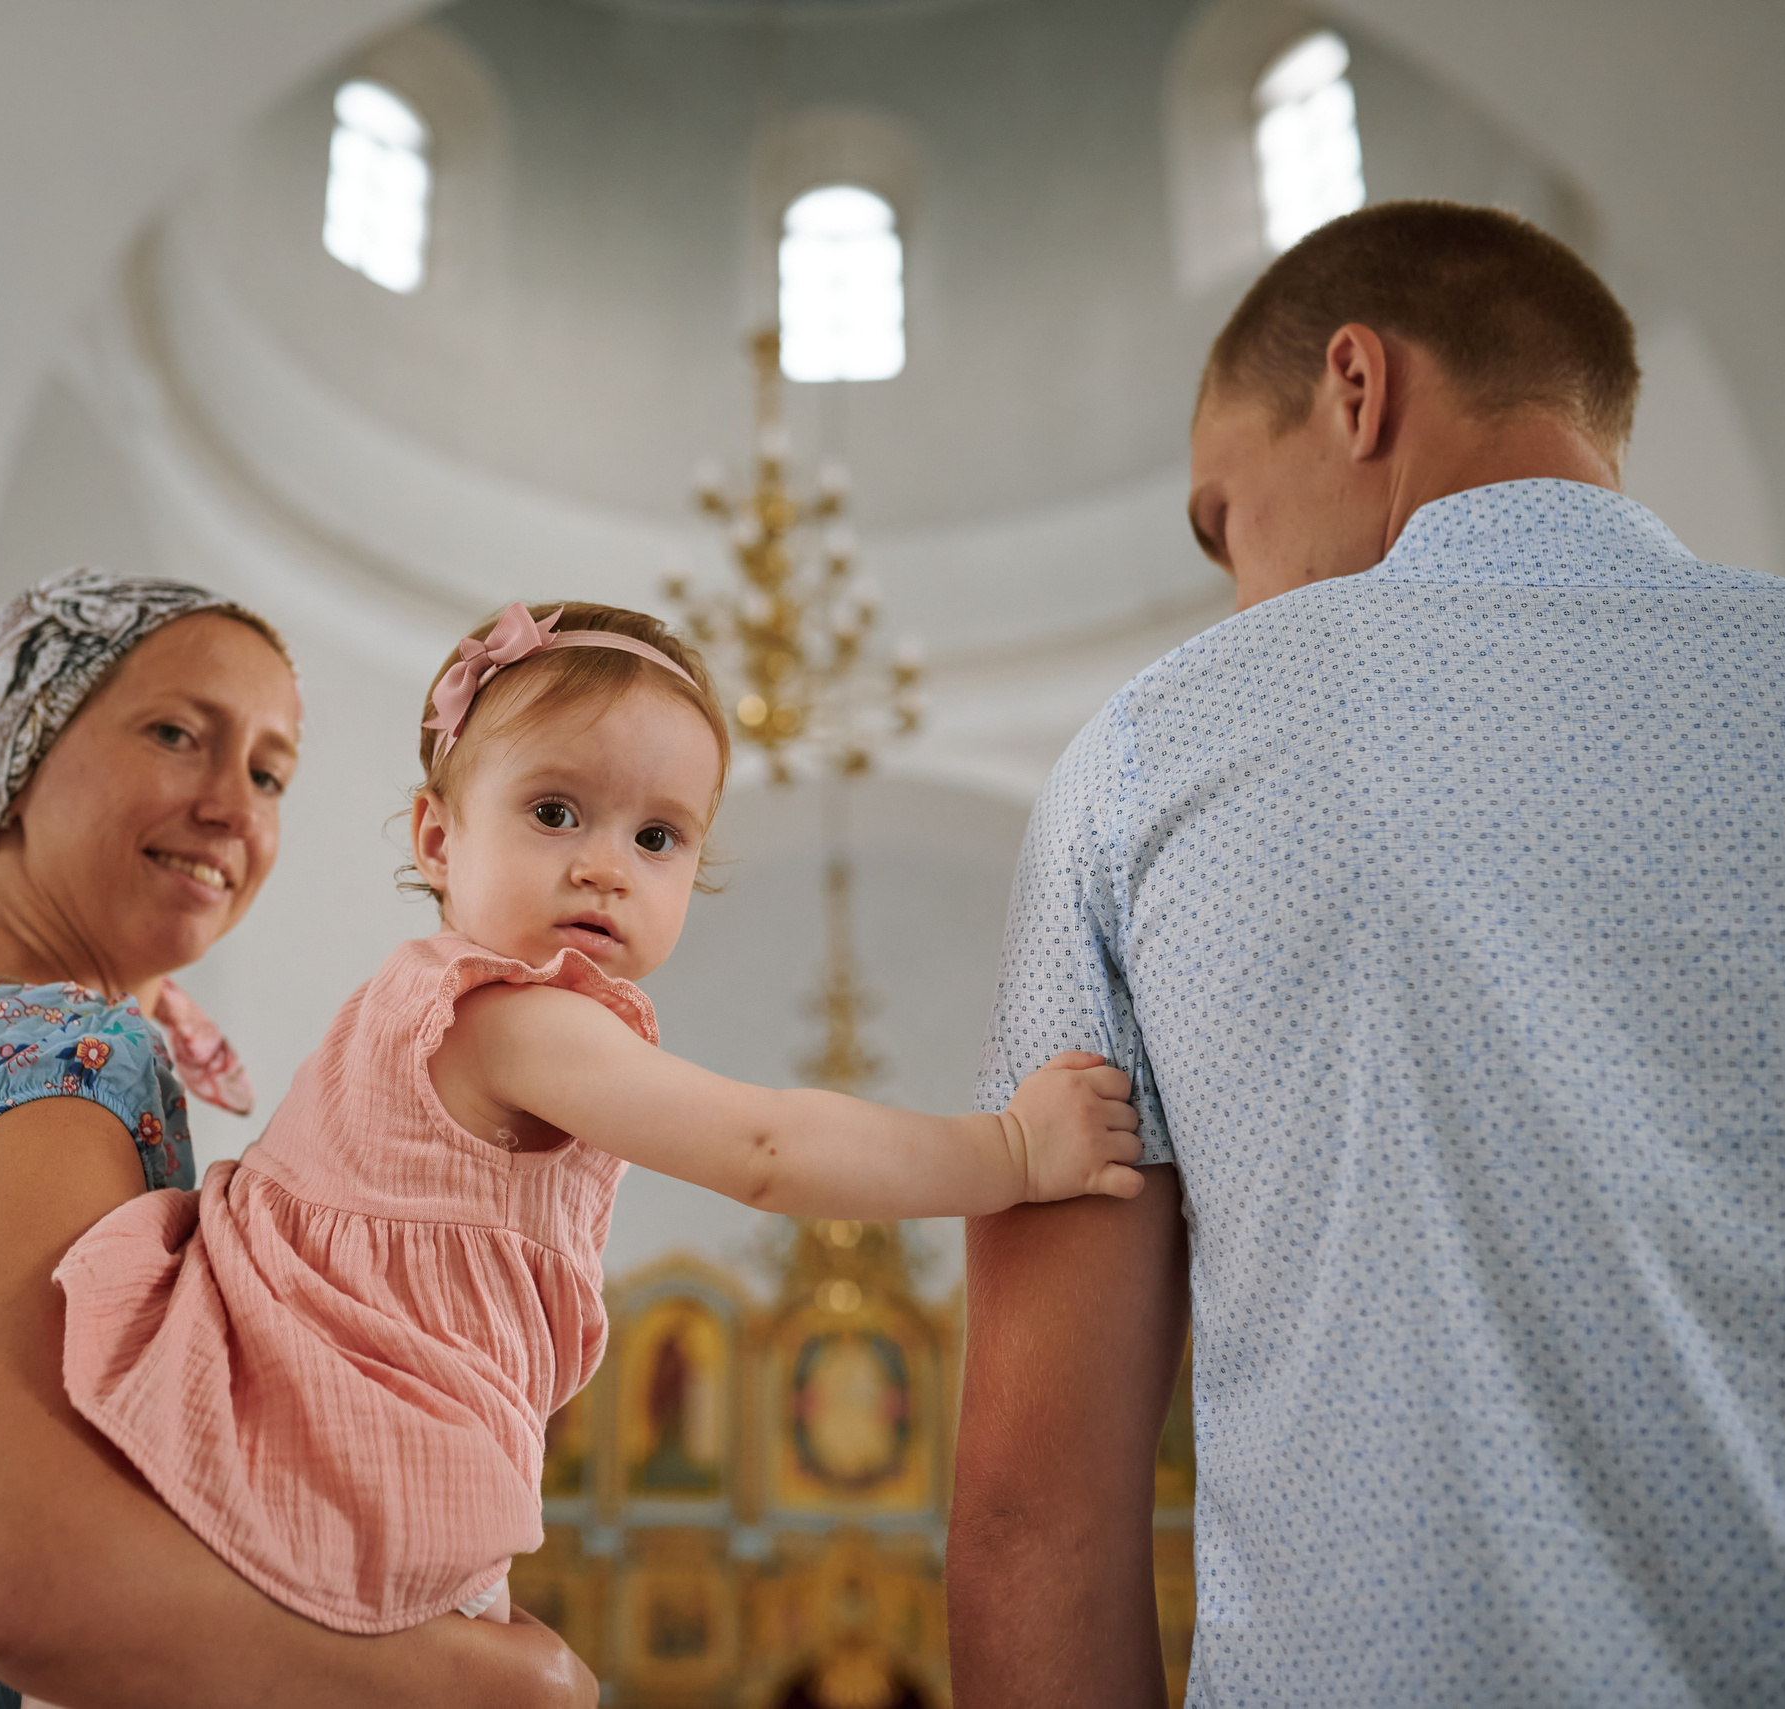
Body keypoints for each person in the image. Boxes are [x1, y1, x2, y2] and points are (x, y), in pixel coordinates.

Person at [948, 201, 1785, 1705]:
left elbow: (1037, 1516)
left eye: (1219, 520)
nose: (1234, 591)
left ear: (1358, 389)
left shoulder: (1151, 760)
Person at [56, 601, 1145, 1635]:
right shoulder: (509, 1017)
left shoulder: (433, 1004)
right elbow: (765, 1151)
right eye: (554, 811)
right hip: (348, 1444)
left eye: (658, 837)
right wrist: (1012, 1148)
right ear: (437, 839)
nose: (603, 864)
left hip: (305, 1421)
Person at [0, 570, 599, 1709]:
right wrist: (501, 1679)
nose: (234, 808)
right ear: (15, 764)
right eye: (178, 733)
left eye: (268, 771)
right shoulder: (53, 1047)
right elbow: (37, 1586)